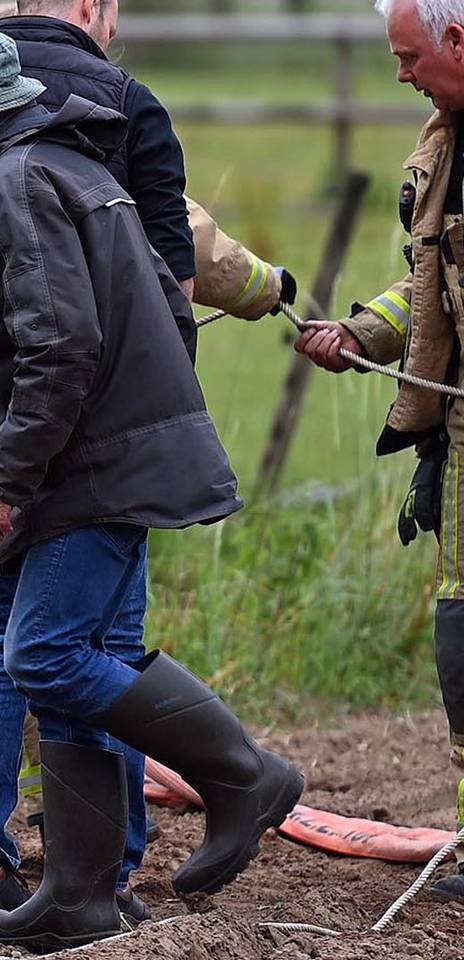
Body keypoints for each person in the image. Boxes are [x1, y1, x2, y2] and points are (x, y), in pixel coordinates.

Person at [0, 0, 295, 921]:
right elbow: (167, 292)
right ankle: (83, 893)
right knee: (66, 645)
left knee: (44, 654)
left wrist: (9, 474)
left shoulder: (14, 182)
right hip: (98, 435)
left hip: (85, 448)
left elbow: (59, 345)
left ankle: (242, 774)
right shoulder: (63, 152)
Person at [293, 0, 464, 904]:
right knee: (462, 632)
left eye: (408, 57)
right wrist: (366, 330)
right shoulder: (444, 144)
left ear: (459, 41)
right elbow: (434, 278)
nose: (400, 74)